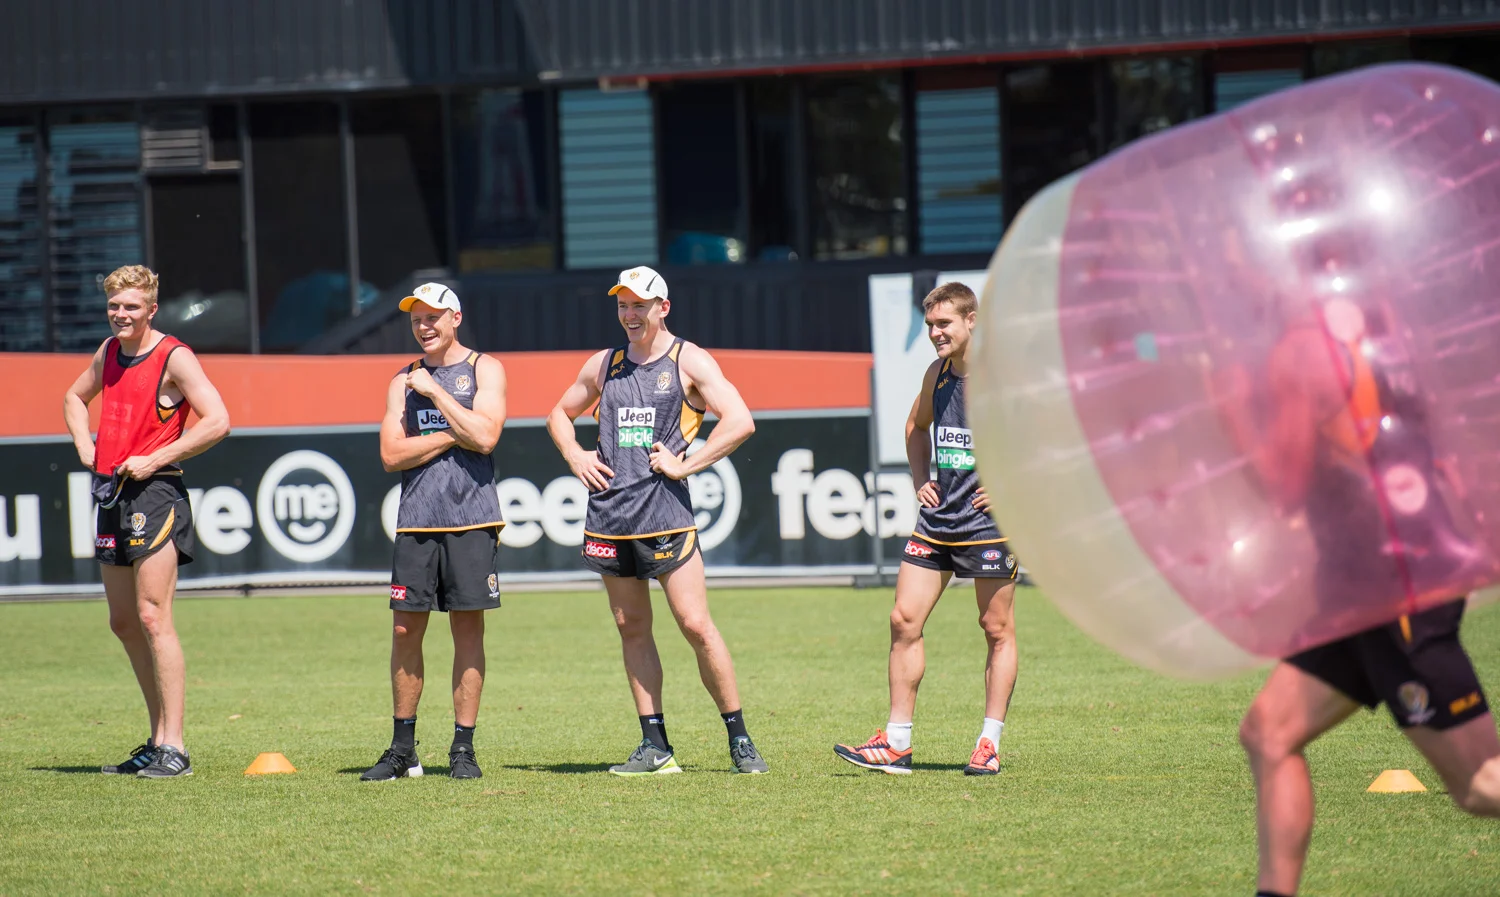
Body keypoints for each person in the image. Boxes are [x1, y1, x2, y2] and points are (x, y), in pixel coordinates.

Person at [1214, 297, 1500, 897]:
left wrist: (1232, 407)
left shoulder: (1302, 350)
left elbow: (1284, 488)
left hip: (1391, 587)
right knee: (1269, 733)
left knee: (1480, 786)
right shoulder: (1369, 328)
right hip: (1359, 587)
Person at [546, 265, 768, 776]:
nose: (630, 314)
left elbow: (740, 421)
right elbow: (558, 414)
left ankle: (739, 739)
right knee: (632, 628)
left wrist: (687, 464)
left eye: (639, 305)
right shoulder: (605, 364)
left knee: (696, 625)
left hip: (666, 515)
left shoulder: (689, 359)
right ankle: (655, 746)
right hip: (609, 517)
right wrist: (575, 456)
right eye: (622, 305)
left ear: (662, 307)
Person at [834, 282, 1019, 776]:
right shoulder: (937, 374)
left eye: (944, 323)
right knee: (903, 620)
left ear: (972, 321)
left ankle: (988, 744)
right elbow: (915, 427)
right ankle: (896, 743)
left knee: (996, 629)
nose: (935, 333)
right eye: (930, 324)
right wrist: (921, 481)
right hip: (939, 521)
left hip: (989, 525)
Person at [62, 265, 231, 779]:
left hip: (156, 493)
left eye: (131, 306)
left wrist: (156, 458)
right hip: (112, 492)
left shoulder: (174, 355)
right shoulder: (108, 351)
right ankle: (156, 740)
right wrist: (86, 445)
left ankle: (175, 748)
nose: (121, 314)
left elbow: (218, 421)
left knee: (153, 616)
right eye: (114, 305)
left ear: (152, 309)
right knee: (123, 622)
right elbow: (73, 398)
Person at [361, 282, 507, 782]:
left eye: (433, 317)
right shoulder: (401, 380)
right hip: (416, 521)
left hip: (473, 520)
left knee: (467, 629)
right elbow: (390, 455)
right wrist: (451, 434)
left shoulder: (484, 368)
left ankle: (462, 748)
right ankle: (403, 749)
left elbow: (485, 437)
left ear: (455, 318)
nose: (424, 327)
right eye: (416, 319)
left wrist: (437, 395)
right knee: (405, 630)